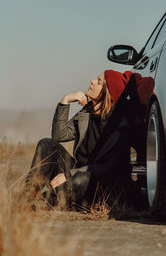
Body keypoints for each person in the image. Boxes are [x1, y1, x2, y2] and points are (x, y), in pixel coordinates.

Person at [25, 70, 154, 211]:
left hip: (101, 184)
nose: (92, 81)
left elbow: (108, 167)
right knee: (47, 144)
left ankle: (43, 203)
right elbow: (59, 135)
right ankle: (26, 197)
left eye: (98, 81)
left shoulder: (122, 124)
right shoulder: (87, 112)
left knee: (82, 179)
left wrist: (69, 175)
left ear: (107, 92)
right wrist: (65, 100)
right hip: (76, 176)